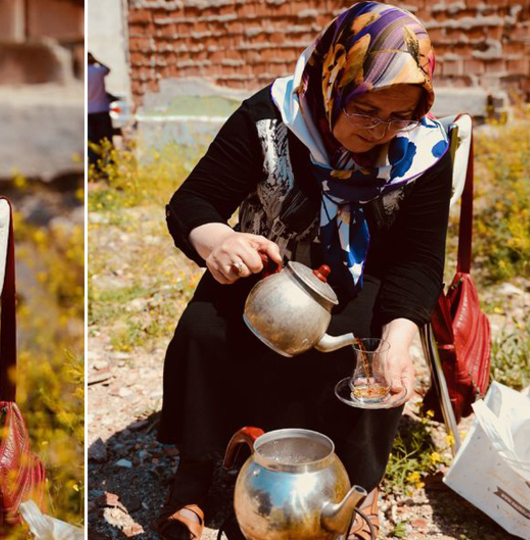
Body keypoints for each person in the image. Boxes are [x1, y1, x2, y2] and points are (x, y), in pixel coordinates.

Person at [155, 3, 452, 539]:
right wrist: (217, 239)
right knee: (204, 329)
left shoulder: (423, 148)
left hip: (361, 281)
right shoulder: (269, 119)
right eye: (367, 110)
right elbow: (193, 200)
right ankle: (196, 474)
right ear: (335, 81)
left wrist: (400, 334)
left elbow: (420, 258)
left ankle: (356, 485)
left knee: (364, 352)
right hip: (266, 273)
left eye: (399, 114)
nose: (382, 130)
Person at [87, 53, 114, 175]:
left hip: (88, 112)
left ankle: (95, 168)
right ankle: (108, 165)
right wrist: (96, 60)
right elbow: (108, 69)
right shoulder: (98, 71)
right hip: (102, 110)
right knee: (106, 140)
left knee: (92, 142)